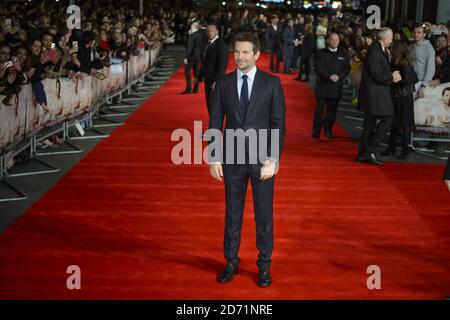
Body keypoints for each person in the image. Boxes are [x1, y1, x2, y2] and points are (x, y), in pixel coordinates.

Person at [208, 32, 286, 288]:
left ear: (256, 55)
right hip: (232, 160)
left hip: (262, 159)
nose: (239, 57)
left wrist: (273, 159)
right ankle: (231, 261)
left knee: (264, 215)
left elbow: (277, 124)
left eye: (244, 52)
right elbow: (216, 120)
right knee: (233, 213)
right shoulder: (224, 82)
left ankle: (264, 265)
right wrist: (214, 156)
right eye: (236, 52)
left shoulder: (271, 83)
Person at [358, 27, 402, 165]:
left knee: (369, 125)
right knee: (387, 120)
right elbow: (377, 75)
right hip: (375, 94)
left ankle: (364, 153)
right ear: (384, 38)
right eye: (391, 37)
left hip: (375, 93)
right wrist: (392, 77)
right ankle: (369, 150)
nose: (392, 40)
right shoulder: (376, 52)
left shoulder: (378, 50)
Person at [381, 40, 418, 159]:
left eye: (393, 48)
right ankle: (391, 147)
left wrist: (397, 80)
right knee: (394, 123)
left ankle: (405, 149)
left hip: (404, 97)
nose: (391, 49)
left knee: (405, 124)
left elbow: (411, 80)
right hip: (396, 96)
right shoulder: (394, 62)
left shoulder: (405, 64)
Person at [312, 33, 350, 139]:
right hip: (322, 87)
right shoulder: (320, 53)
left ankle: (328, 129)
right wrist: (329, 76)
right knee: (319, 110)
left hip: (336, 87)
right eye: (332, 40)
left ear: (339, 41)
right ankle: (316, 130)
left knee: (332, 111)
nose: (334, 42)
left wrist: (339, 76)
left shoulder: (344, 53)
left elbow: (347, 68)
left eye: (336, 40)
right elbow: (318, 67)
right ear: (328, 41)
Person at [201, 23, 228, 114]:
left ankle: (215, 127)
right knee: (209, 104)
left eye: (212, 31)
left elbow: (222, 65)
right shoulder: (207, 43)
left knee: (213, 105)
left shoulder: (221, 45)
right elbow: (205, 61)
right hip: (208, 78)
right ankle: (213, 126)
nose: (209, 33)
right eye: (208, 31)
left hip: (214, 80)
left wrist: (217, 81)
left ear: (217, 32)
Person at [410, 24, 435, 99]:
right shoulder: (411, 47)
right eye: (414, 32)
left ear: (424, 34)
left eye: (419, 32)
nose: (416, 34)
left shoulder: (429, 48)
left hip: (421, 82)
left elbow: (431, 68)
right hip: (411, 81)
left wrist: (424, 86)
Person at [183, 21, 203, 94]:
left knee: (187, 71)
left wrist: (186, 57)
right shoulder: (200, 35)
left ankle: (188, 89)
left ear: (192, 27)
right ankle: (196, 89)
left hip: (192, 56)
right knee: (196, 72)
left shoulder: (192, 35)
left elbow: (189, 47)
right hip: (198, 56)